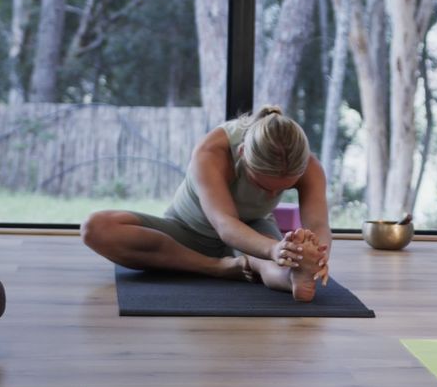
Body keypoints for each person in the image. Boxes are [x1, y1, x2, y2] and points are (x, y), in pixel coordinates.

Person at [82, 106, 331, 301]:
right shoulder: (212, 151)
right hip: (185, 234)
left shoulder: (308, 165)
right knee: (96, 227)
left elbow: (319, 223)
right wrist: (273, 250)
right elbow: (225, 225)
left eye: (282, 189)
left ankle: (290, 278)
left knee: (273, 262)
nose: (271, 195)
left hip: (253, 233)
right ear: (243, 153)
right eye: (265, 186)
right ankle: (218, 268)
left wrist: (313, 256)